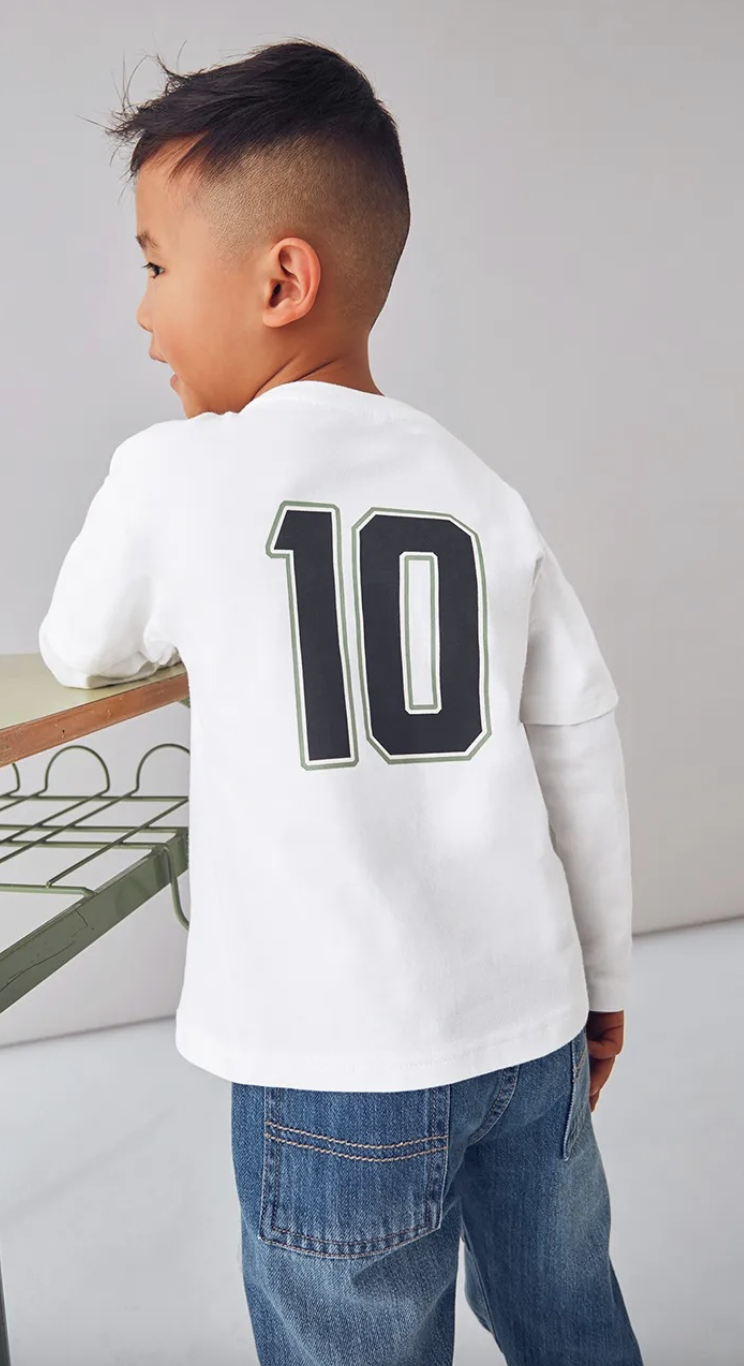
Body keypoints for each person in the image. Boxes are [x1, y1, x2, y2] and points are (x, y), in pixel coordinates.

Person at [38, 37, 645, 1366]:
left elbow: (81, 644)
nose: (142, 313)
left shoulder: (177, 474)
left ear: (280, 280)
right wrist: (602, 982)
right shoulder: (481, 490)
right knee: (567, 1313)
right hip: (527, 1032)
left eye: (154, 266)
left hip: (330, 1068)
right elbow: (577, 741)